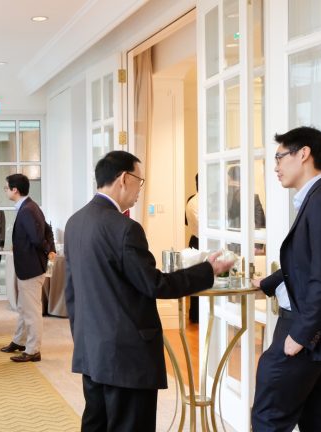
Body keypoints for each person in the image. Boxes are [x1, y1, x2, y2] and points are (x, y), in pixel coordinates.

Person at [64, 151, 234, 432]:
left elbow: (71, 292)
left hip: (91, 348)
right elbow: (155, 284)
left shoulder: (75, 222)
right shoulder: (125, 228)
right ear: (124, 179)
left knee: (96, 424)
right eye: (139, 181)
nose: (140, 189)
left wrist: (84, 338)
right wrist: (208, 270)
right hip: (126, 356)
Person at [251, 127, 321, 431]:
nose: (275, 167)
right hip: (316, 329)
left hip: (305, 328)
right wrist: (269, 282)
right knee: (317, 417)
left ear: (304, 154)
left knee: (268, 417)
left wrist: (300, 335)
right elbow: (311, 263)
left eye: (279, 157)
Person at [0, 173, 55, 363]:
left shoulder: (28, 210)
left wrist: (48, 251)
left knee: (31, 311)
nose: (5, 191)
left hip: (32, 267)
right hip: (28, 266)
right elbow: (47, 230)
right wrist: (50, 249)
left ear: (15, 190)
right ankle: (20, 341)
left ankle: (33, 350)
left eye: (6, 188)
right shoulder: (29, 206)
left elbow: (38, 238)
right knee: (24, 307)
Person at [186, 174, 200, 323]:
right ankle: (197, 314)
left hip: (195, 241)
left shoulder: (192, 200)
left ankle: (195, 314)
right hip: (199, 242)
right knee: (198, 278)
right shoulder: (197, 202)